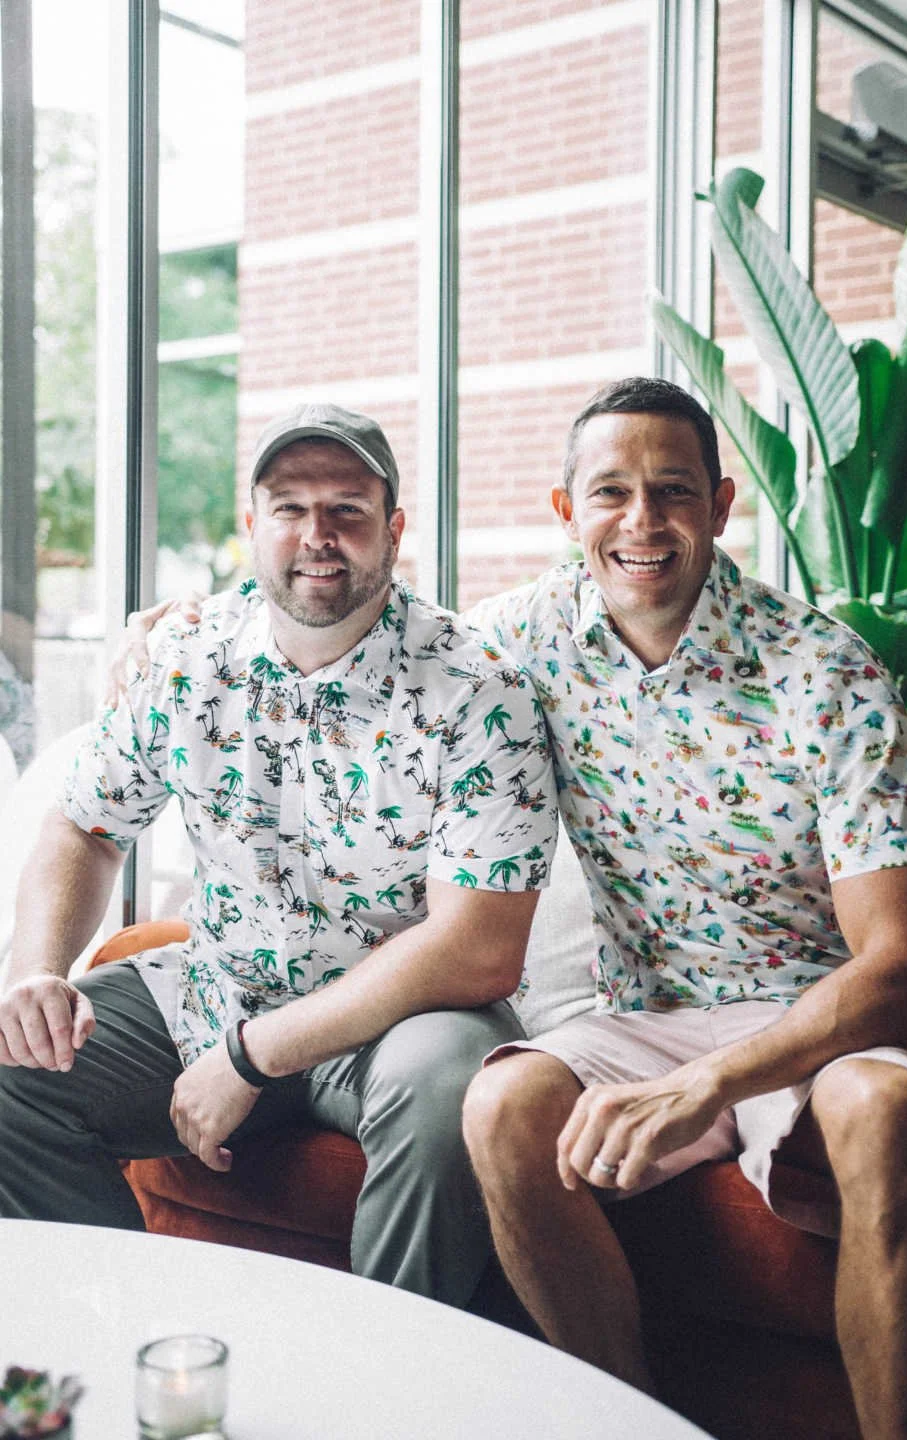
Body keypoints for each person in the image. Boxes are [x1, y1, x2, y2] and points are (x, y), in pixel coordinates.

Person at [459, 377, 907, 1440]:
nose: (641, 523)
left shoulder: (825, 671)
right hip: (645, 1014)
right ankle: (643, 1425)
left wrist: (707, 1086)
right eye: (610, 493)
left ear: (723, 506)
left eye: (672, 491)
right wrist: (185, 630)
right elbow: (357, 650)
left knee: (876, 1115)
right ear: (566, 513)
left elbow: (906, 966)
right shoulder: (515, 645)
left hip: (825, 1016)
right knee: (501, 1109)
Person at [0, 401, 557, 1310]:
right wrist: (35, 975)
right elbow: (82, 825)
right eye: (291, 507)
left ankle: (388, 1390)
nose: (318, 535)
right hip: (217, 986)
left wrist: (249, 1059)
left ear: (394, 529)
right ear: (251, 524)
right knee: (15, 1074)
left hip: (399, 1021)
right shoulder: (186, 658)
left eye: (347, 507)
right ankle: (126, 1350)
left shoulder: (477, 687)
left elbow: (476, 949)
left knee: (451, 1091)